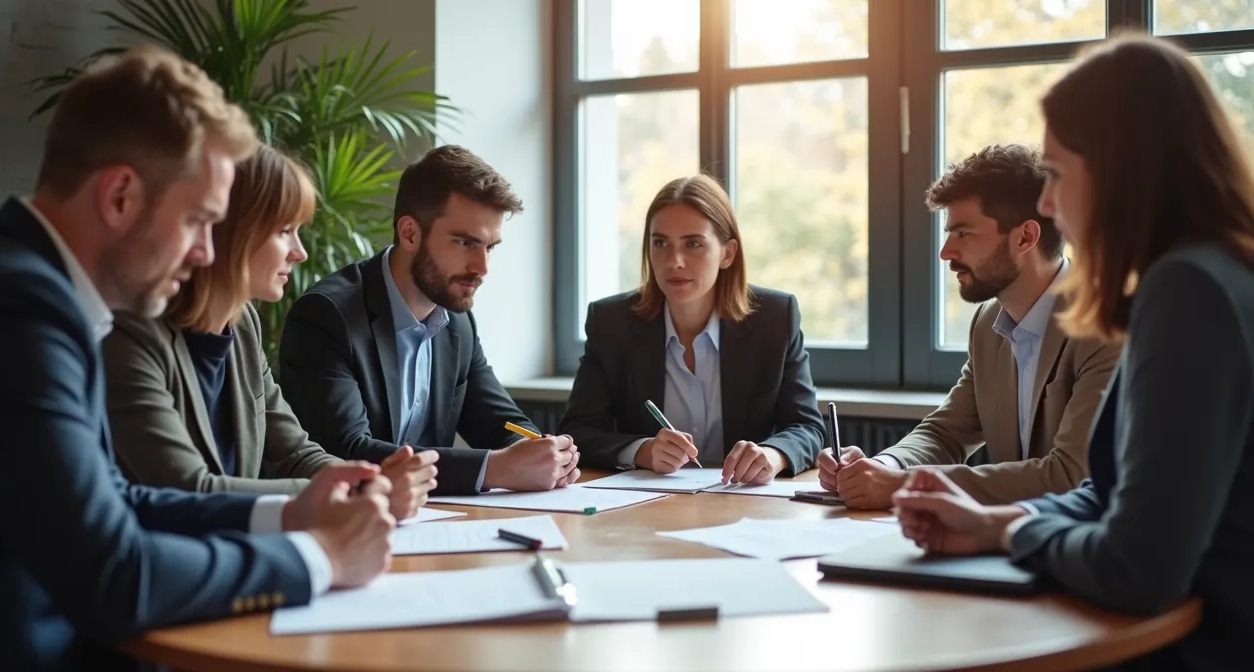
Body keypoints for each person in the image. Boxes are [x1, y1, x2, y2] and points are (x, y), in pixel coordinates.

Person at [0, 45, 395, 670]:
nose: (208, 253)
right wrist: (321, 557)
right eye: (198, 221)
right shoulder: (14, 309)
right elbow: (114, 577)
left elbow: (120, 499)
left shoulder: (31, 288)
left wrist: (290, 512)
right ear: (121, 196)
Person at [892, 33, 1254, 670]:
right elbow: (1109, 493)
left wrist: (1007, 528)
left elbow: (1138, 566)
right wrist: (984, 520)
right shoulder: (1197, 275)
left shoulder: (1186, 290)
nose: (1050, 202)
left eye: (1057, 174)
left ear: (1121, 168)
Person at [101, 144, 438, 519]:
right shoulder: (131, 333)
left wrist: (368, 479)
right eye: (285, 231)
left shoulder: (242, 324)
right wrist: (353, 490)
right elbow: (188, 488)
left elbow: (295, 454)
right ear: (230, 231)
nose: (299, 252)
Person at [818, 144, 1119, 509]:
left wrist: (904, 484)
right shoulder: (988, 322)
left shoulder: (1103, 325)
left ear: (1025, 237)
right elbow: (946, 433)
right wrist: (880, 467)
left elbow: (1071, 476)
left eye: (964, 234)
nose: (945, 251)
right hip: (1007, 540)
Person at [279, 144, 579, 495]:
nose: (482, 268)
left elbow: (501, 422)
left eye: (490, 247)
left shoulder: (457, 321)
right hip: (346, 526)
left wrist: (546, 453)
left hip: (432, 528)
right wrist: (495, 469)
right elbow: (346, 452)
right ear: (409, 233)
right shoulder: (326, 316)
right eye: (465, 243)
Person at [559, 174, 825, 483]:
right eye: (660, 243)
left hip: (742, 503)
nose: (675, 262)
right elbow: (578, 432)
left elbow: (808, 427)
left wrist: (772, 455)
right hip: (649, 506)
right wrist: (641, 451)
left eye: (694, 244)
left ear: (727, 253)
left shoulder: (774, 319)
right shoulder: (611, 323)